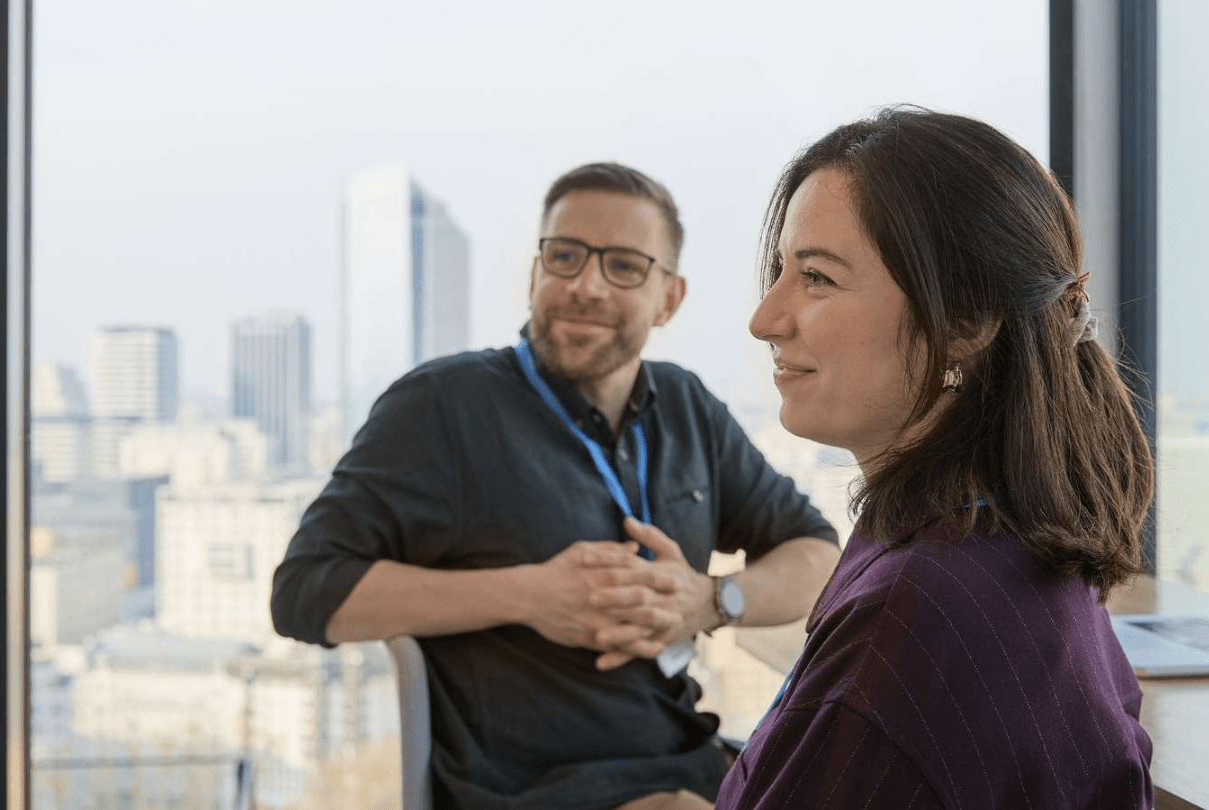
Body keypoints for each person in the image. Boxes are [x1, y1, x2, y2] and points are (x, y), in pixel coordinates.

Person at [270, 162, 841, 810]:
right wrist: (531, 593)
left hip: (700, 766)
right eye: (564, 257)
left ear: (669, 299)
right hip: (540, 792)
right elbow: (303, 594)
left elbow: (819, 555)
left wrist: (710, 601)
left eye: (623, 265)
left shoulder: (687, 407)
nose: (585, 286)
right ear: (535, 274)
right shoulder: (443, 405)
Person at [717, 108, 1156, 809]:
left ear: (966, 323)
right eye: (779, 272)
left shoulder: (907, 621)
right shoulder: (1009, 550)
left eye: (818, 278)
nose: (765, 318)